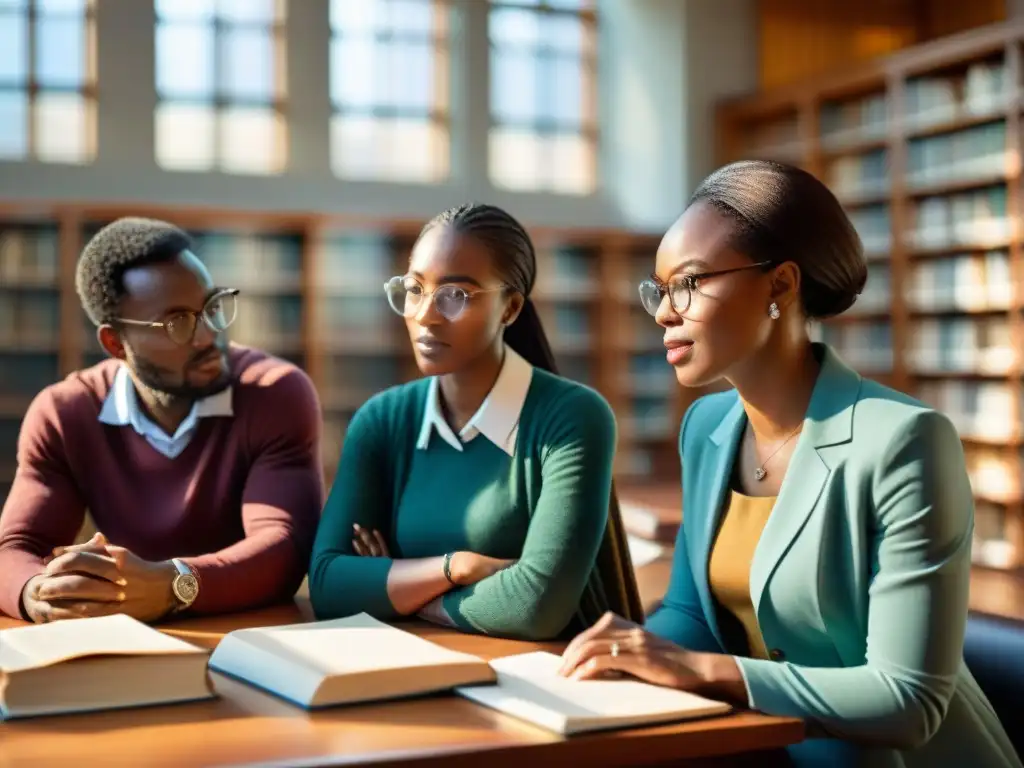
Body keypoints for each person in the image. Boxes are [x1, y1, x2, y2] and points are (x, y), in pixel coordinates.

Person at [556, 161, 1021, 768]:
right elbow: (693, 612)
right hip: (766, 749)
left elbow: (908, 701)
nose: (664, 313)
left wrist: (700, 670)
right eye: (659, 289)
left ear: (781, 285)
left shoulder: (907, 441)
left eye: (689, 284)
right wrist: (609, 656)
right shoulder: (706, 428)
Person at [308, 203, 642, 641]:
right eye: (414, 289)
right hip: (431, 668)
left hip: (554, 680)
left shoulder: (573, 417)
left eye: (454, 296)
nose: (425, 314)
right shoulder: (382, 420)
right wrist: (455, 568)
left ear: (510, 308)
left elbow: (535, 607)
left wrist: (399, 589)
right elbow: (329, 584)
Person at [0, 217, 324, 624]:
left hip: (247, 633)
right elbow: (15, 547)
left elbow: (286, 546)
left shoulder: (275, 393)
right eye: (178, 322)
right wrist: (37, 592)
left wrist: (175, 583)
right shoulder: (64, 413)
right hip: (127, 636)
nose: (208, 336)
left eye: (212, 307)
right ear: (116, 343)